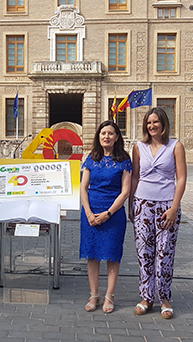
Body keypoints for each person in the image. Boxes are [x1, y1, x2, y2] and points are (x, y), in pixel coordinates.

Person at [129, 107, 186, 319]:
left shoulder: (175, 146)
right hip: (142, 203)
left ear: (163, 123)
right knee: (144, 253)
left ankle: (164, 298)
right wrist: (131, 204)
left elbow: (181, 178)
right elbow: (135, 176)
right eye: (148, 123)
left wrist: (174, 207)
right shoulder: (138, 147)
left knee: (164, 254)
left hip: (166, 206)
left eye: (155, 122)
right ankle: (146, 297)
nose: (152, 126)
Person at [80, 120, 132, 314]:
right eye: (103, 133)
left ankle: (109, 295)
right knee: (92, 254)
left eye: (110, 133)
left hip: (114, 213)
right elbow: (83, 188)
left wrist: (108, 213)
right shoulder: (91, 158)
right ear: (98, 137)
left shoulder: (124, 160)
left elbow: (125, 191)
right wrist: (88, 213)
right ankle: (94, 294)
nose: (106, 137)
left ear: (117, 137)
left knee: (111, 254)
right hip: (90, 212)